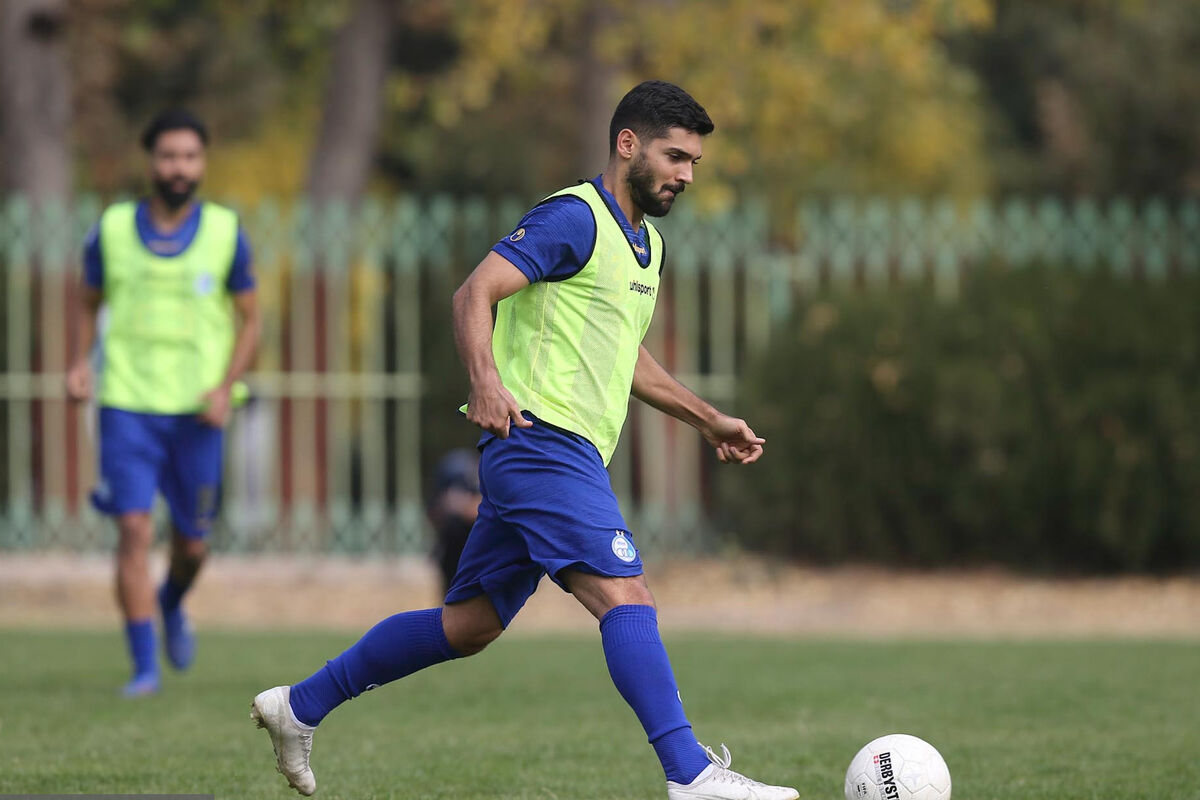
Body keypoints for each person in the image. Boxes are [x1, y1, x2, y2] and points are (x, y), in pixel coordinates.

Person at [251, 80, 798, 800]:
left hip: (558, 453)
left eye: (694, 162)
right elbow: (473, 293)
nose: (687, 175)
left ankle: (299, 705)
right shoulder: (574, 217)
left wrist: (706, 418)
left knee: (470, 625)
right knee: (625, 593)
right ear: (627, 144)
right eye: (675, 157)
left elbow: (624, 355)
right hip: (541, 441)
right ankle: (690, 774)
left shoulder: (648, 247)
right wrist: (485, 381)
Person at [66, 108, 261, 697]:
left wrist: (225, 388)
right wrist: (79, 362)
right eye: (169, 156)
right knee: (132, 528)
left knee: (192, 546)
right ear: (151, 161)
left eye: (190, 157)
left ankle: (171, 601)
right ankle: (144, 669)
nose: (179, 167)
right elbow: (87, 302)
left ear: (202, 163)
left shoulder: (225, 232)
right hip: (126, 403)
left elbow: (251, 321)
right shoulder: (112, 228)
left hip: (198, 413)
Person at [426, 448, 482, 594]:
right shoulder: (460, 470)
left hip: (462, 547)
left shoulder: (459, 466)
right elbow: (462, 507)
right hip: (458, 547)